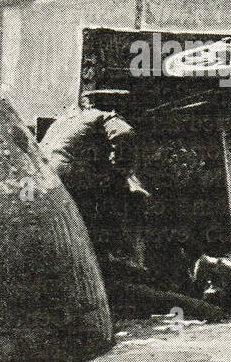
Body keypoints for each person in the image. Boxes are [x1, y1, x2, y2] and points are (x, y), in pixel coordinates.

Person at [40, 88, 150, 270]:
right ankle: (119, 259)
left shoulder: (64, 121)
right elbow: (124, 135)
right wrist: (120, 171)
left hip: (46, 177)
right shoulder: (105, 117)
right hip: (72, 175)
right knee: (122, 197)